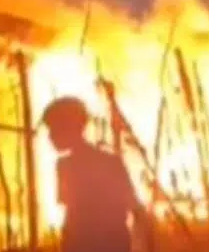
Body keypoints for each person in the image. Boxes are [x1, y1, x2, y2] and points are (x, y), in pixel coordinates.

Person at [41, 96, 153, 252]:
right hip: (114, 243)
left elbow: (72, 218)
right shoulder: (111, 162)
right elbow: (134, 207)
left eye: (54, 129)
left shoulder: (66, 167)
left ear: (69, 128)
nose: (50, 136)